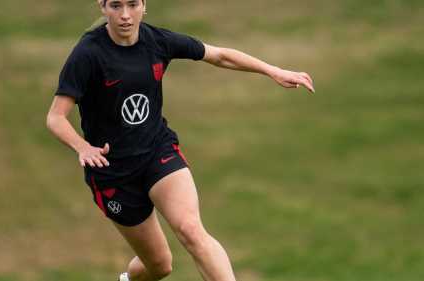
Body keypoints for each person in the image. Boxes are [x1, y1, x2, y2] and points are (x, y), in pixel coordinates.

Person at [46, 0, 315, 280]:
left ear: (144, 5)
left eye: (132, 4)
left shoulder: (157, 41)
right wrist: (82, 147)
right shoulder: (88, 54)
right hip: (114, 174)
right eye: (115, 6)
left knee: (192, 230)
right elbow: (55, 117)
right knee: (160, 266)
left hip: (156, 152)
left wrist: (272, 70)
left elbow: (218, 55)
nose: (125, 15)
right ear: (102, 7)